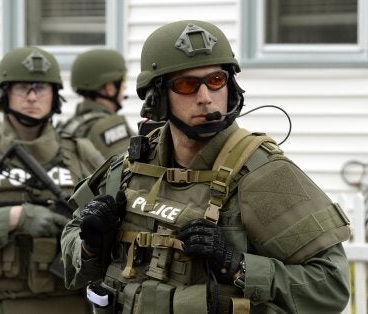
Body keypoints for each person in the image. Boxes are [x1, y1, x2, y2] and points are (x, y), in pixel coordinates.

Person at [61, 20, 351, 314]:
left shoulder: (264, 175)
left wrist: (236, 266)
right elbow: (72, 239)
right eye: (186, 85)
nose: (205, 98)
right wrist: (90, 245)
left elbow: (330, 286)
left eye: (215, 81)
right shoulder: (130, 167)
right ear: (157, 97)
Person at [0, 46, 104, 314]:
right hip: (6, 302)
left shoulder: (82, 152)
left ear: (55, 96)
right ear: (5, 94)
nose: (33, 97)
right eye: (23, 87)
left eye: (42, 88)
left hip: (75, 303)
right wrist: (15, 217)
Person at [57, 48, 135, 159]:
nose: (125, 86)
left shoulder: (72, 124)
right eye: (124, 79)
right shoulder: (109, 126)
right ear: (110, 88)